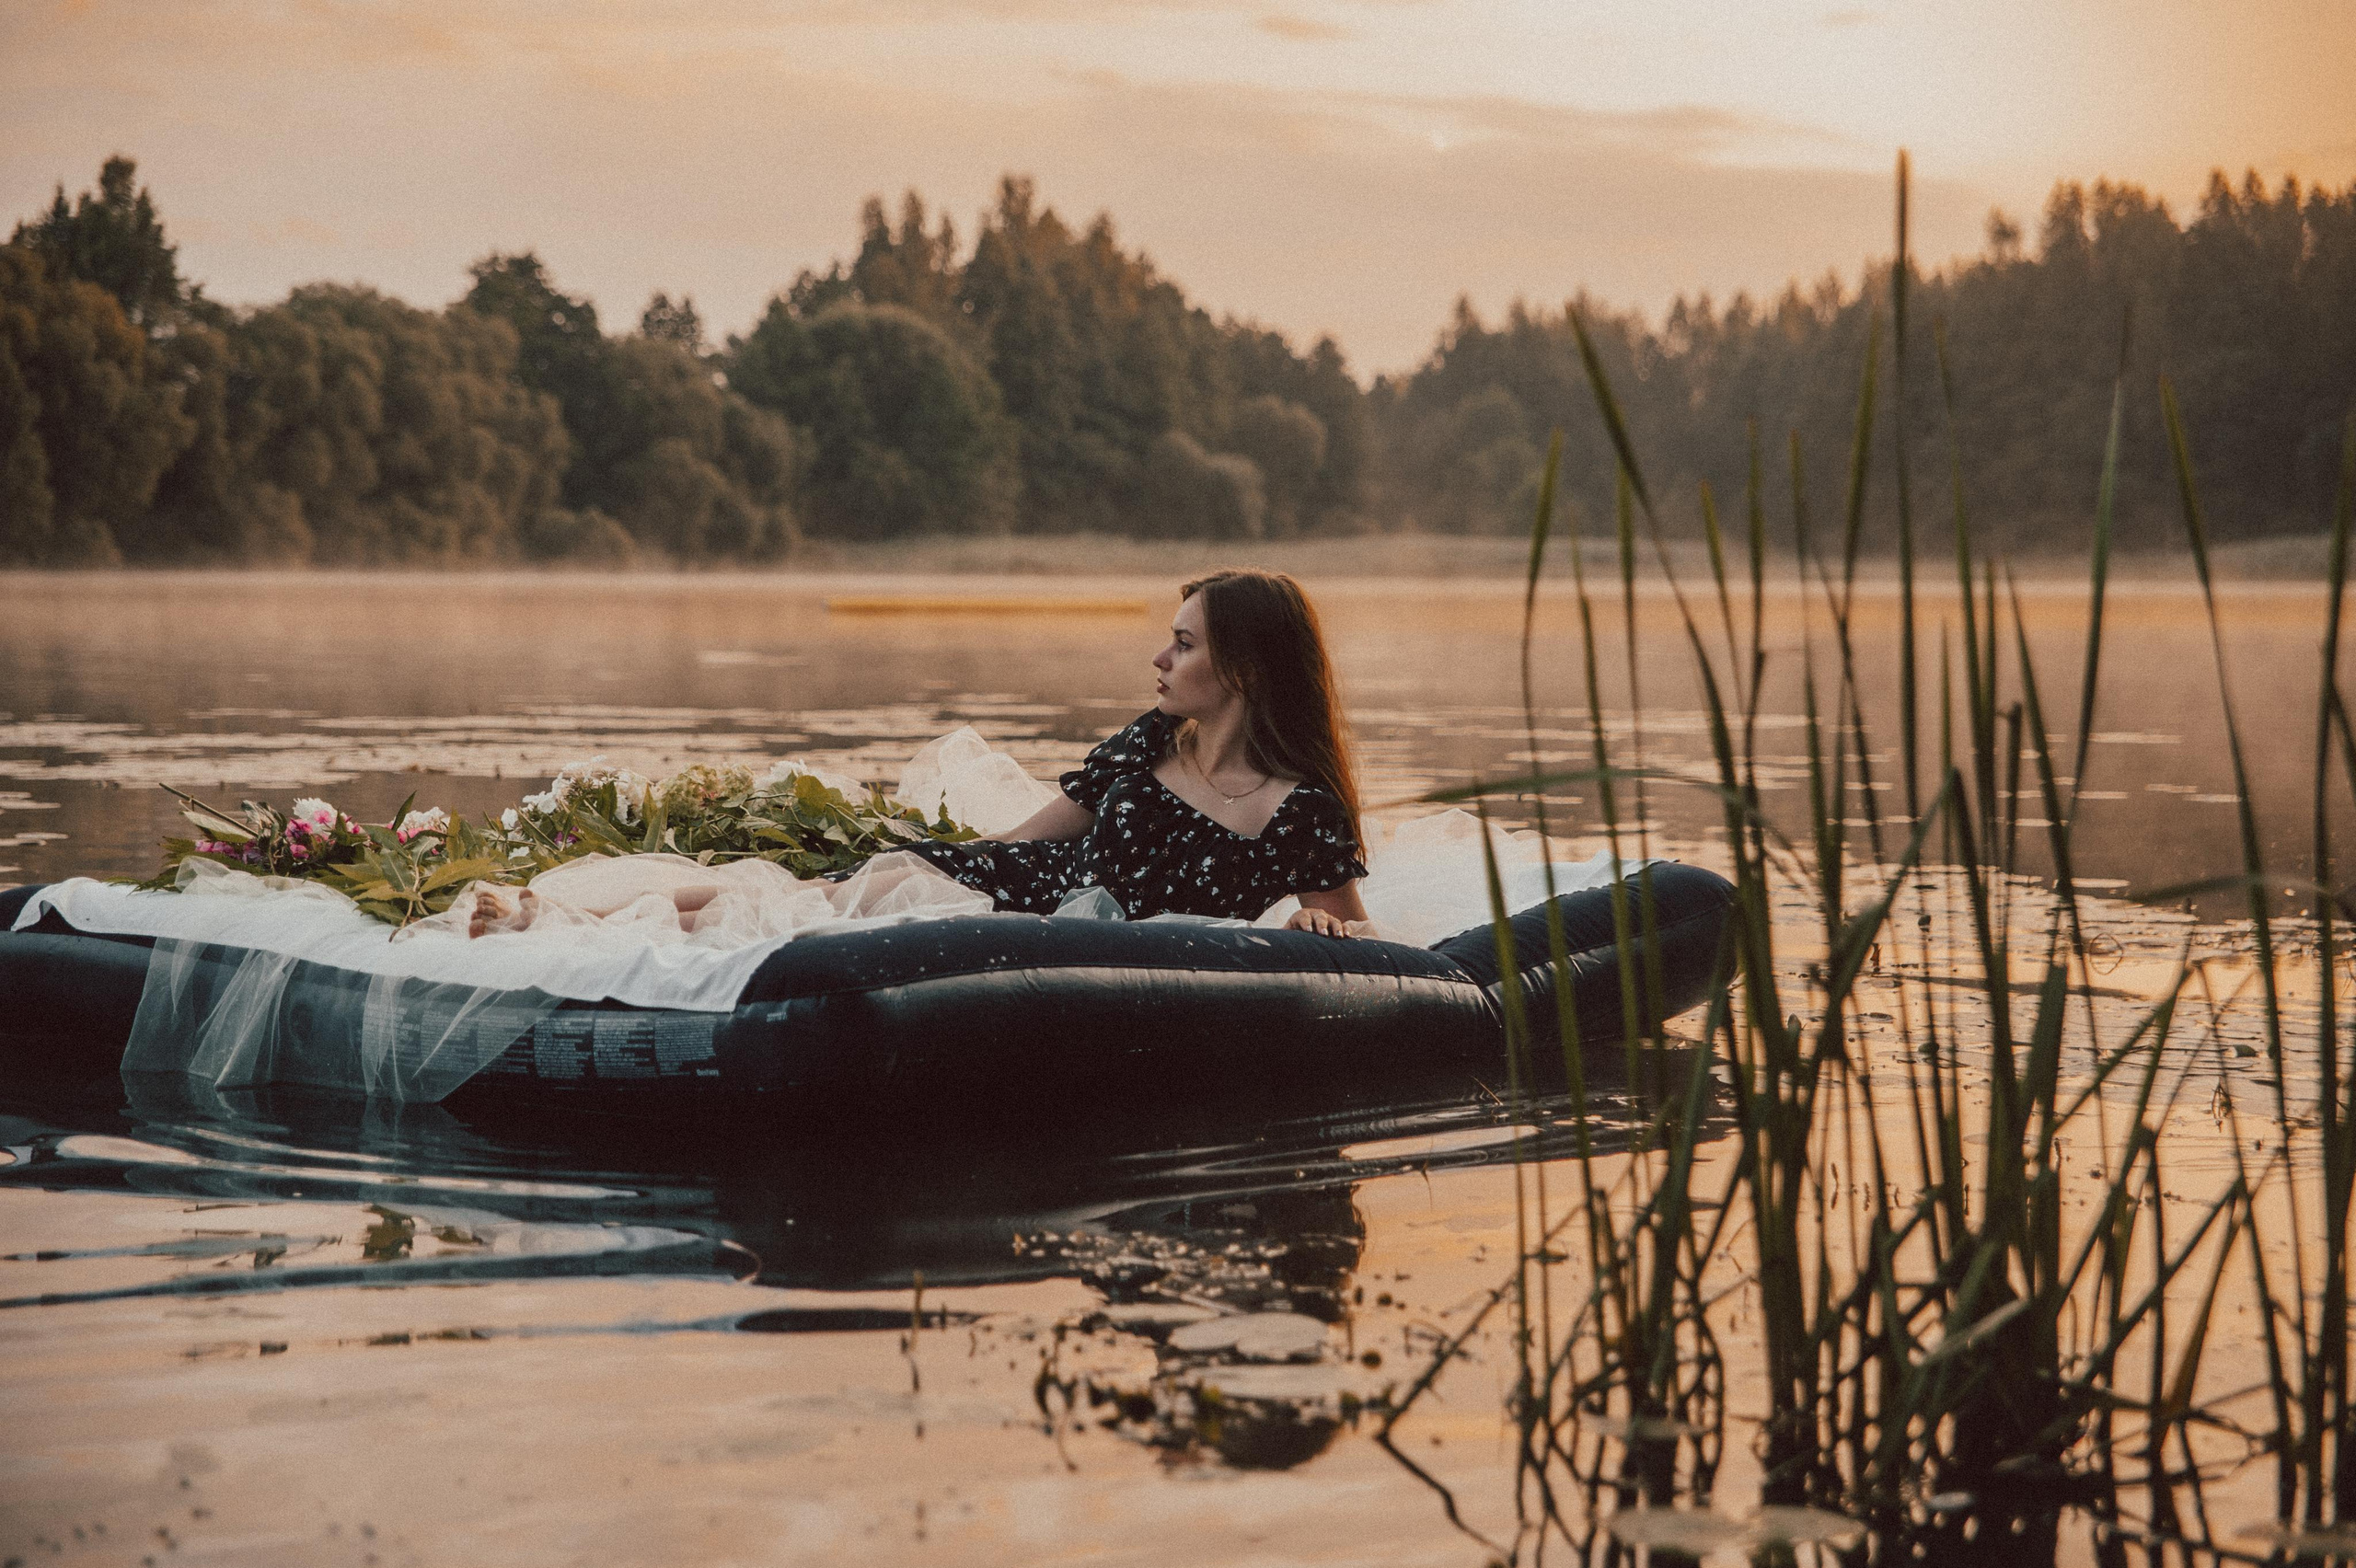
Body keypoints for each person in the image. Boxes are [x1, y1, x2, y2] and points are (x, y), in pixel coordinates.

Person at [879, 569, 1374, 936]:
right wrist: (932, 865)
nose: (1160, 658)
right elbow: (1018, 841)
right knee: (870, 885)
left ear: (1244, 669)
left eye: (1183, 644)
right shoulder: (1154, 737)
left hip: (1113, 969)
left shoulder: (1301, 811)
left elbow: (1366, 940)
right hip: (1019, 899)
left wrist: (1311, 922)